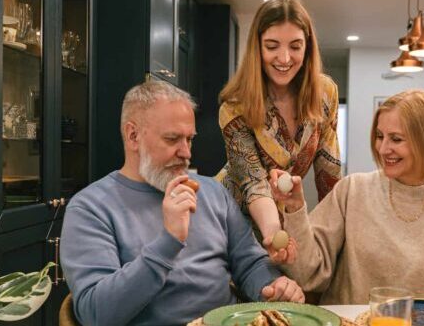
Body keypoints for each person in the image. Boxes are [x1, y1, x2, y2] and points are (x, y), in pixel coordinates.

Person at [60, 81, 305, 326]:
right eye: (172, 139)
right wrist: (169, 241)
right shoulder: (90, 208)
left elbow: (250, 263)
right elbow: (96, 314)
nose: (186, 152)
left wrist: (272, 286)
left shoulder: (212, 192)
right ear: (132, 135)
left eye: (189, 139)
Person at [271, 89, 424, 304]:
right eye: (379, 136)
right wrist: (295, 207)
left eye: (396, 139)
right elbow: (308, 275)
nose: (383, 149)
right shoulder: (352, 190)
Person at [215, 0, 342, 258]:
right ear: (257, 48)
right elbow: (254, 184)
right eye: (272, 46)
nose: (284, 58)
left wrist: (334, 239)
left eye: (295, 46)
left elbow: (329, 174)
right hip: (232, 218)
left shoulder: (325, 94)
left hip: (285, 218)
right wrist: (274, 232)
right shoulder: (234, 106)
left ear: (307, 48)